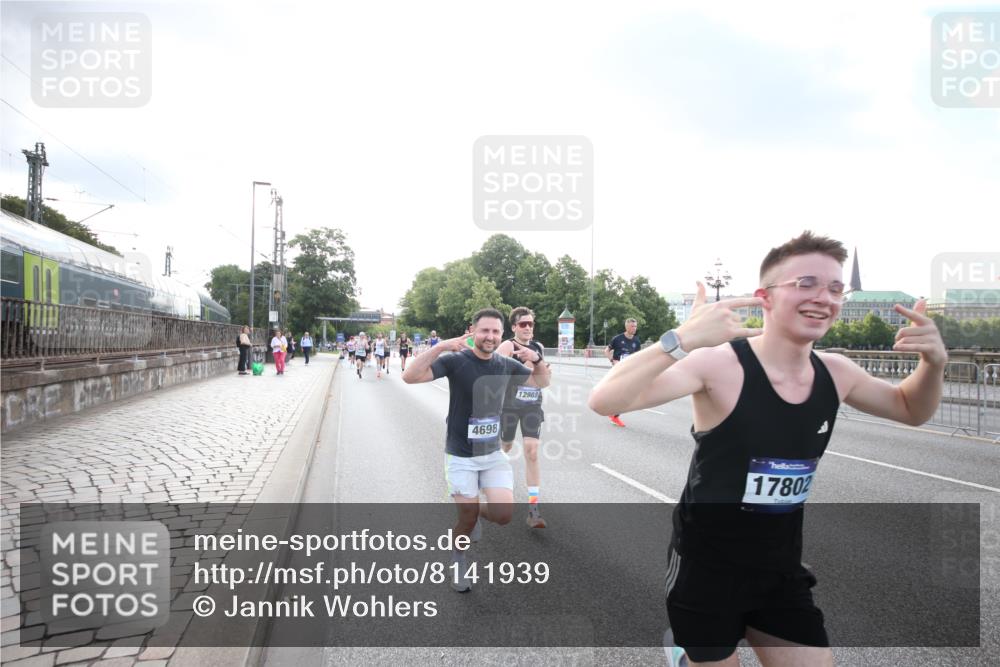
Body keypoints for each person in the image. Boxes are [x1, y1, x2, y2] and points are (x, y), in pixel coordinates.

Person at [588, 231, 946, 667]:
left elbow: (911, 409)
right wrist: (680, 338)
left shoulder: (837, 372)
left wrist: (934, 364)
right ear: (765, 297)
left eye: (835, 288)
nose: (824, 297)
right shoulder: (718, 364)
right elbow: (605, 400)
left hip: (781, 570)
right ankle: (684, 654)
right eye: (806, 283)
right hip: (706, 568)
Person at [403, 308, 552, 592]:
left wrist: (538, 360)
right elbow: (410, 376)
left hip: (492, 454)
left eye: (496, 331)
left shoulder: (504, 365)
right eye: (484, 330)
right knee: (467, 519)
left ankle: (473, 513)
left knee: (504, 515)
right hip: (460, 454)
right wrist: (442, 345)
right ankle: (458, 557)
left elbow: (541, 383)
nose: (490, 336)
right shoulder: (457, 361)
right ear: (473, 331)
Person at [496, 307, 548, 529]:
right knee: (504, 448)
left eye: (531, 324)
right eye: (523, 324)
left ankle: (533, 511)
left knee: (532, 451)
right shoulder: (508, 346)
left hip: (532, 406)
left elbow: (544, 382)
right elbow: (493, 372)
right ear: (514, 327)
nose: (528, 327)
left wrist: (537, 365)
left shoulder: (539, 348)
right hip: (508, 406)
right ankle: (485, 485)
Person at [604, 318, 642, 427]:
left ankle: (612, 411)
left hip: (629, 370)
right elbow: (606, 351)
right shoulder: (617, 339)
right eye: (632, 326)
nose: (634, 328)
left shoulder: (636, 341)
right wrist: (612, 361)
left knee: (627, 394)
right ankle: (614, 415)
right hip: (618, 369)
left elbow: (637, 357)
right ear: (626, 327)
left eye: (635, 326)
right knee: (623, 393)